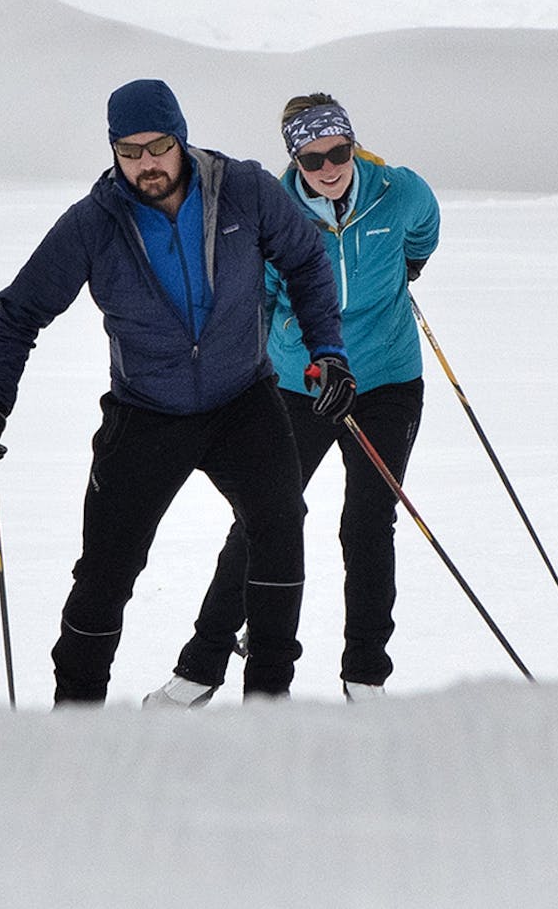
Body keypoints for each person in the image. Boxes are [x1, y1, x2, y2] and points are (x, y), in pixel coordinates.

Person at [0, 79, 355, 707]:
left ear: (182, 137)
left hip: (242, 401)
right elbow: (18, 313)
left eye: (158, 146)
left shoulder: (243, 191)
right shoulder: (95, 224)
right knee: (104, 575)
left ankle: (269, 712)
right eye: (129, 150)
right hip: (146, 414)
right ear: (114, 151)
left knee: (280, 528)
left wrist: (327, 352)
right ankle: (77, 725)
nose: (146, 163)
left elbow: (306, 261)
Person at [169, 93, 441, 704]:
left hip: (388, 378)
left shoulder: (399, 192)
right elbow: (260, 296)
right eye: (312, 158)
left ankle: (365, 674)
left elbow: (425, 232)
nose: (328, 167)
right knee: (266, 519)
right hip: (302, 382)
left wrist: (407, 269)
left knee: (368, 524)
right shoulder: (276, 211)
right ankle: (201, 666)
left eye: (338, 152)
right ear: (295, 160)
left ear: (352, 144)